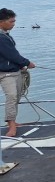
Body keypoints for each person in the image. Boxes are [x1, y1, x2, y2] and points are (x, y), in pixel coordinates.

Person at [0, 8, 35, 138]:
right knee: (12, 96)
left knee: (17, 96)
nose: (13, 24)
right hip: (5, 73)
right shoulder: (1, 38)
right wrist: (27, 63)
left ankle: (12, 120)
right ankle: (11, 126)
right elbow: (11, 55)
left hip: (15, 71)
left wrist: (20, 66)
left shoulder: (5, 34)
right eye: (11, 21)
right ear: (1, 21)